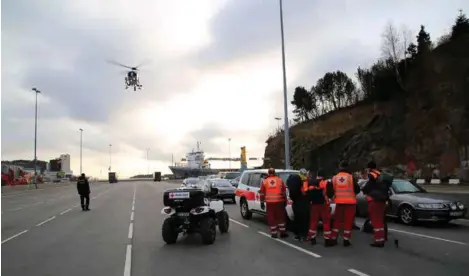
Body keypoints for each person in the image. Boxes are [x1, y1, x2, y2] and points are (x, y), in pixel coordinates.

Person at [329, 161, 361, 247]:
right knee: (348, 222)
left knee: (337, 221)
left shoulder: (335, 178)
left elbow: (330, 190)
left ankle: (333, 238)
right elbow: (357, 189)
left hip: (339, 203)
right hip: (350, 203)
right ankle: (346, 240)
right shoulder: (351, 177)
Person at [362, 161, 392, 247]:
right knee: (381, 220)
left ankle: (378, 241)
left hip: (376, 199)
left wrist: (365, 190)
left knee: (376, 221)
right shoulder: (380, 173)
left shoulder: (372, 175)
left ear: (370, 168)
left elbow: (369, 186)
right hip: (383, 199)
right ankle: (382, 238)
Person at [304, 169, 334, 246]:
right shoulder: (327, 183)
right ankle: (327, 240)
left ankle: (312, 239)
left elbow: (306, 193)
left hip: (314, 205)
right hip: (324, 205)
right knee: (326, 222)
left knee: (313, 222)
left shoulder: (311, 182)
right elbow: (331, 194)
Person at [260, 168, 288, 239]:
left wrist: (262, 202)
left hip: (270, 203)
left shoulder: (265, 181)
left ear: (268, 173)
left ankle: (274, 233)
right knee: (281, 217)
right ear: (275, 173)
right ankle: (283, 233)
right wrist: (285, 200)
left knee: (271, 218)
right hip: (279, 202)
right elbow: (284, 192)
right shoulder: (280, 180)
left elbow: (262, 193)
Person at [287, 168, 311, 241]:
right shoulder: (305, 181)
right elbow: (306, 192)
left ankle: (297, 235)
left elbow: (291, 191)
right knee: (305, 220)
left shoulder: (293, 179)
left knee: (297, 219)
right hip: (304, 202)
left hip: (296, 202)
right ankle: (304, 235)